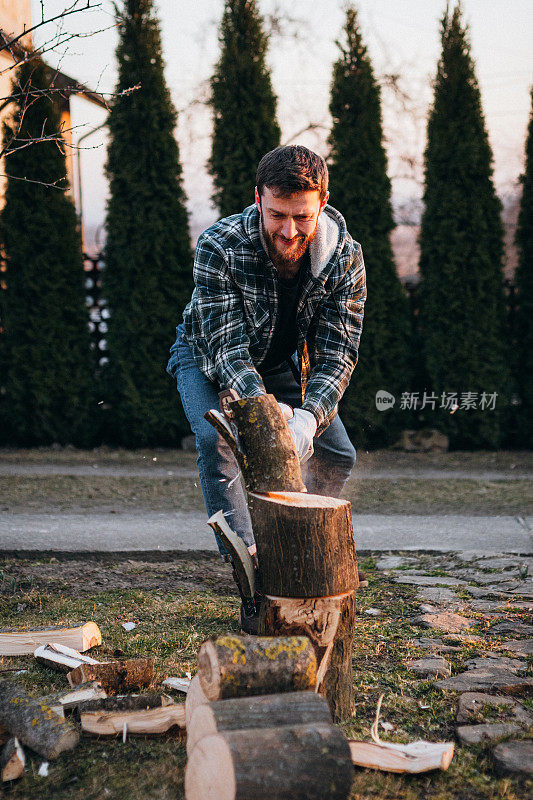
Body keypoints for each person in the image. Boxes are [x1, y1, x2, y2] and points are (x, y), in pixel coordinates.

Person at [167, 145, 366, 632]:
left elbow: (338, 353)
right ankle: (252, 563)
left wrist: (306, 418)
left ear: (322, 203)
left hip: (282, 367)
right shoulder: (220, 246)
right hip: (208, 357)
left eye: (301, 216)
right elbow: (227, 348)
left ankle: (299, 536)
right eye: (277, 214)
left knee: (338, 454)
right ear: (258, 199)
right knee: (219, 441)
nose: (289, 230)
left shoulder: (345, 259)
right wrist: (260, 414)